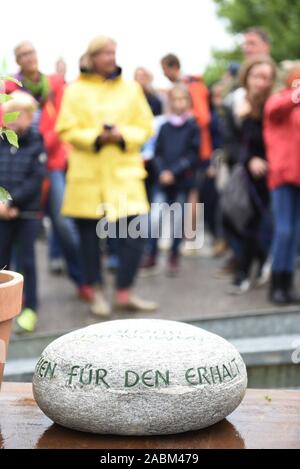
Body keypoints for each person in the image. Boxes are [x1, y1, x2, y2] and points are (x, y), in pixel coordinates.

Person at [56, 35, 158, 316]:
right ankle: (96, 292)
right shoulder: (74, 91)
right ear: (91, 58)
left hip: (124, 174)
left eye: (113, 53)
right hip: (88, 175)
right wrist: (97, 137)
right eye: (104, 53)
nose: (110, 58)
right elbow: (65, 129)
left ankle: (125, 290)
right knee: (89, 241)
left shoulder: (131, 89)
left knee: (136, 233)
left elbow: (145, 125)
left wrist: (121, 135)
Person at [5, 41, 89, 301]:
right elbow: (5, 120)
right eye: (22, 54)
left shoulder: (54, 84)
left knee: (63, 224)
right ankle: (17, 298)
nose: (28, 57)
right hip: (20, 162)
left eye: (31, 52)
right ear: (17, 60)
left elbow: (63, 119)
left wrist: (43, 143)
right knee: (18, 235)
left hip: (49, 162)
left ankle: (81, 279)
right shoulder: (9, 87)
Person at [225, 56, 276, 293]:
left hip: (269, 174)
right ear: (247, 77)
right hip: (243, 175)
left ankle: (245, 273)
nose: (261, 82)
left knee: (256, 223)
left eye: (266, 77)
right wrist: (248, 160)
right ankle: (259, 261)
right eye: (257, 76)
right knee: (234, 221)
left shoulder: (273, 105)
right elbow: (231, 142)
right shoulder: (234, 104)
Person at [0, 91, 46, 333]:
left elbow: (35, 179)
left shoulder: (37, 142)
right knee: (2, 263)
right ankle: (4, 307)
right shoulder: (1, 142)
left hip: (26, 214)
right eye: (8, 114)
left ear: (29, 117)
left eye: (18, 115)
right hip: (2, 214)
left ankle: (30, 308)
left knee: (27, 261)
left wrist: (11, 201)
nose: (12, 119)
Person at [142, 85, 199, 276]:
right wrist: (162, 172)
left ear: (188, 102)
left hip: (182, 182)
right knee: (155, 218)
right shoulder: (164, 127)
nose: (179, 103)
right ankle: (151, 254)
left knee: (177, 221)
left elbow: (192, 154)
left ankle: (174, 255)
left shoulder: (192, 127)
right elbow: (157, 153)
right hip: (162, 181)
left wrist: (174, 172)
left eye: (183, 99)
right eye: (175, 99)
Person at [264, 67, 300, 305]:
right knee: (284, 231)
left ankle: (287, 284)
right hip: (282, 176)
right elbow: (273, 111)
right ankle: (276, 284)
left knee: (296, 234)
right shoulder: (280, 100)